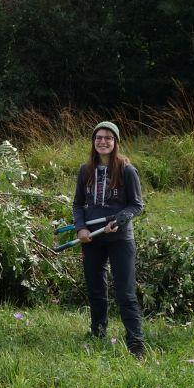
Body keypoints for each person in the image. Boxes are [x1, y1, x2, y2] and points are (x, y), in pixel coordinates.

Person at [72, 121, 146, 358]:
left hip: (120, 238)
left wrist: (120, 220)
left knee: (125, 291)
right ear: (94, 142)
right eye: (98, 138)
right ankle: (98, 331)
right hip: (92, 238)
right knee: (95, 287)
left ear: (115, 142)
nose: (103, 142)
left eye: (108, 138)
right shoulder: (85, 170)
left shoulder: (126, 170)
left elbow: (136, 205)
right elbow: (78, 204)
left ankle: (135, 341)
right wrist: (81, 228)